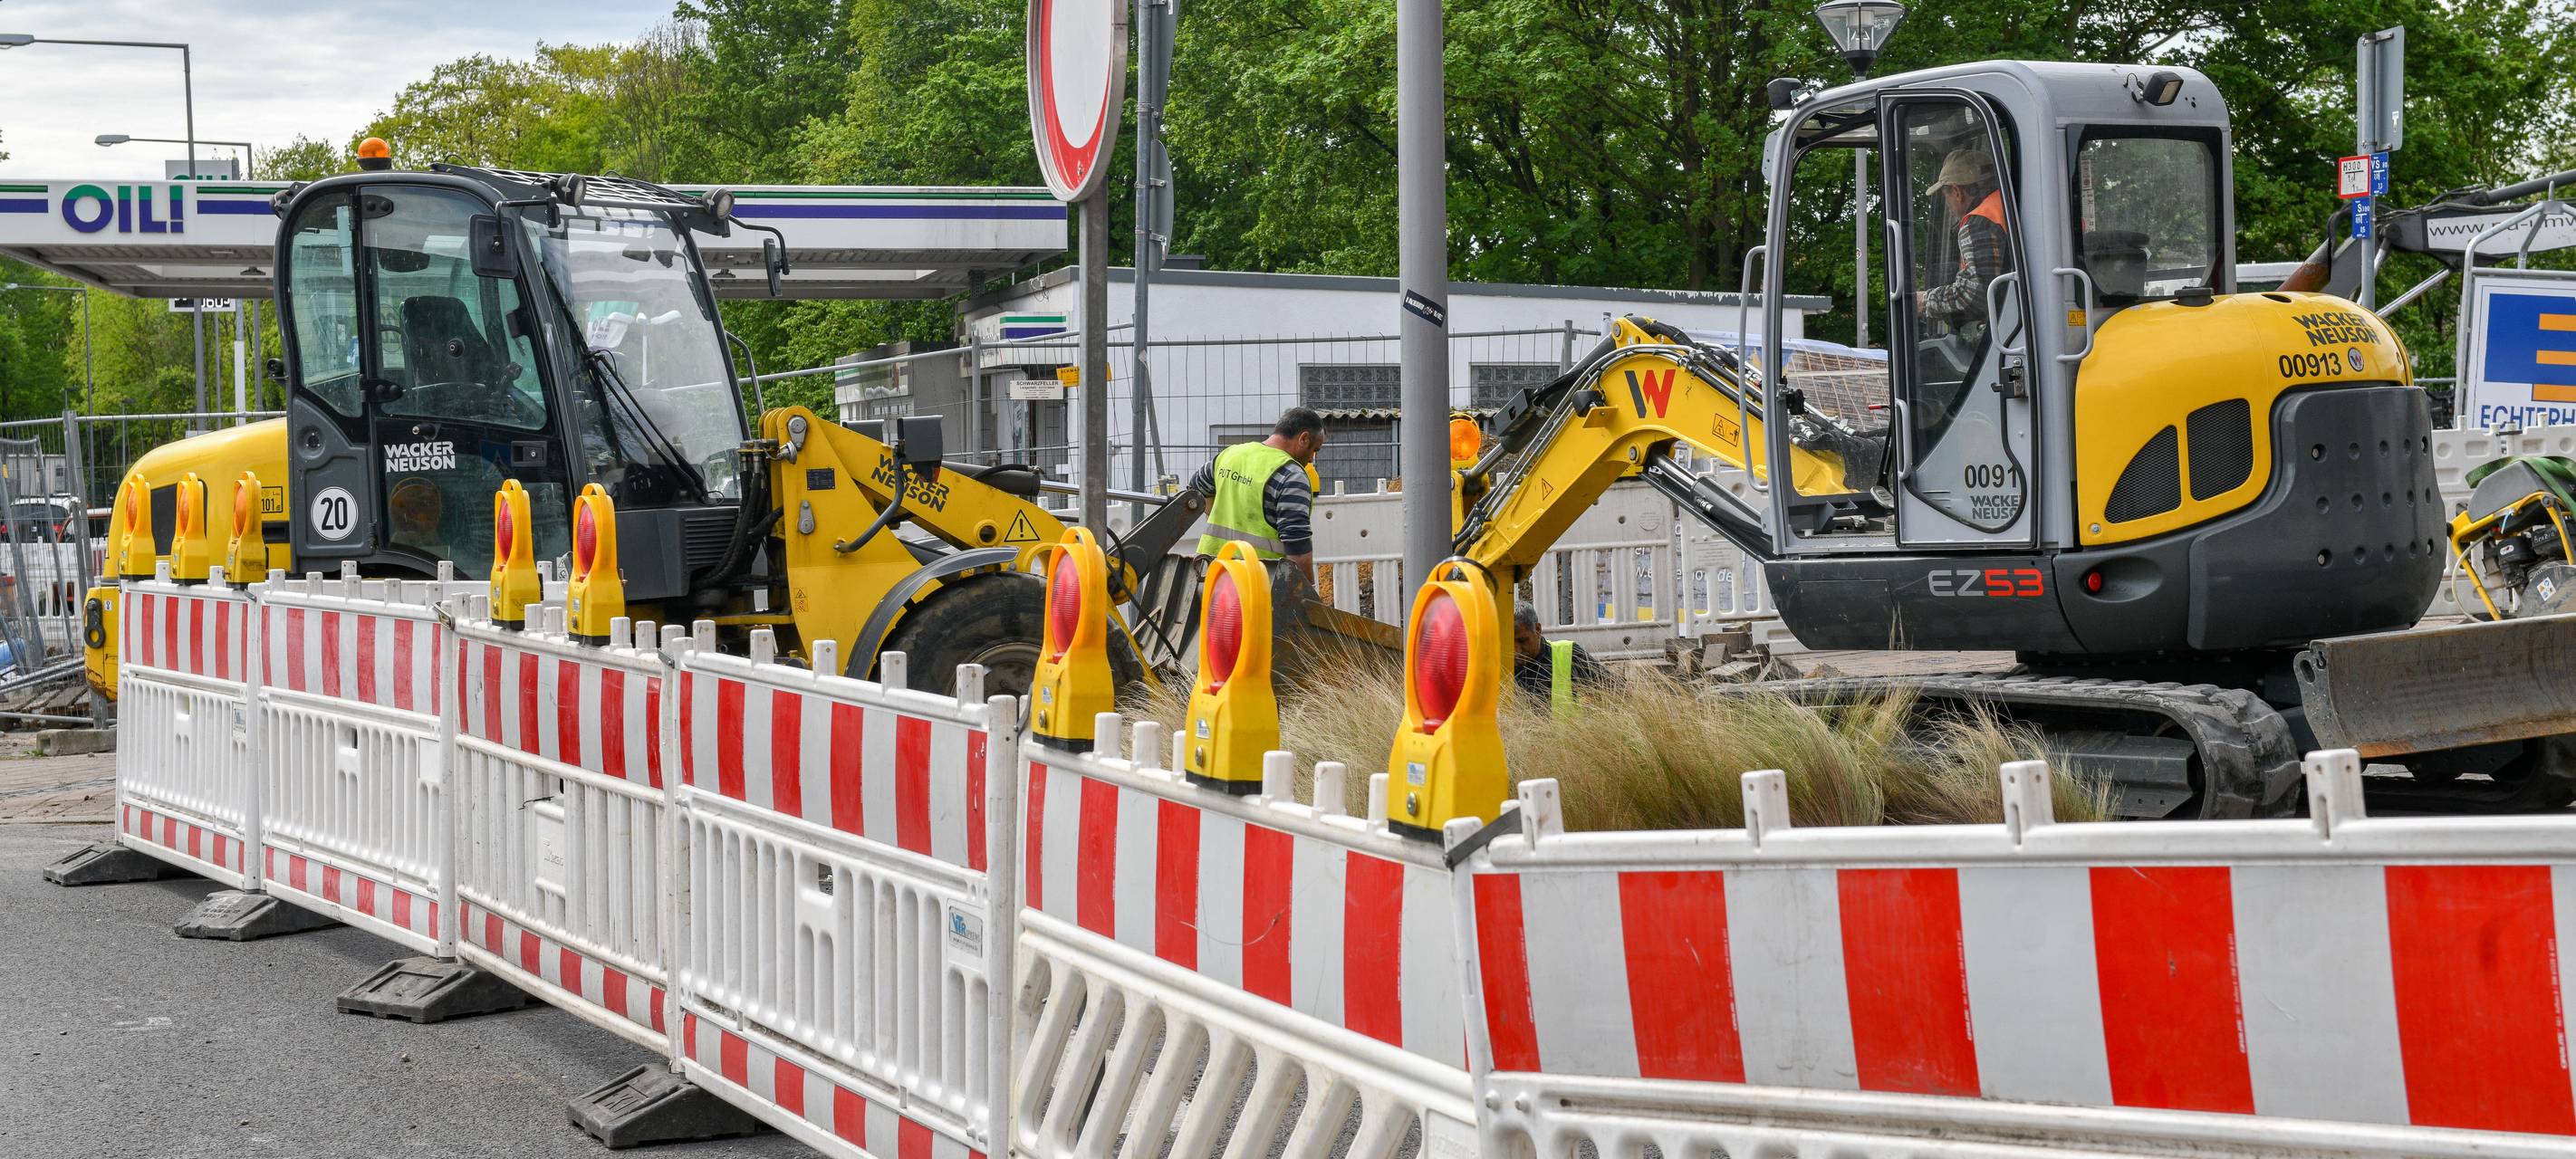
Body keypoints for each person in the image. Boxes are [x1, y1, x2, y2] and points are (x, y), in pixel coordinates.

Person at [1190, 407, 1326, 585]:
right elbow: (1297, 546)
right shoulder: (1291, 474)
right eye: (1315, 449)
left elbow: (1194, 491)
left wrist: (1219, 513)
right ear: (1303, 438)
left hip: (1210, 576)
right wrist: (1307, 597)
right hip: (1256, 587)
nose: (1311, 458)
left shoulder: (1230, 455)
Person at [1914, 148, 2010, 329]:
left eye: (1946, 197)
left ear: (1957, 192)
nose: (1948, 206)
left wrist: (1925, 301)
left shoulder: (1978, 222)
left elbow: (1977, 295)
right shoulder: (2008, 202)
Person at [1511, 602, 1610, 714]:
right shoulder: (1495, 666)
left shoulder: (1568, 654)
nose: (1516, 650)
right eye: (1508, 641)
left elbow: (1619, 691)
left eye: (1523, 640)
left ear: (1538, 630)